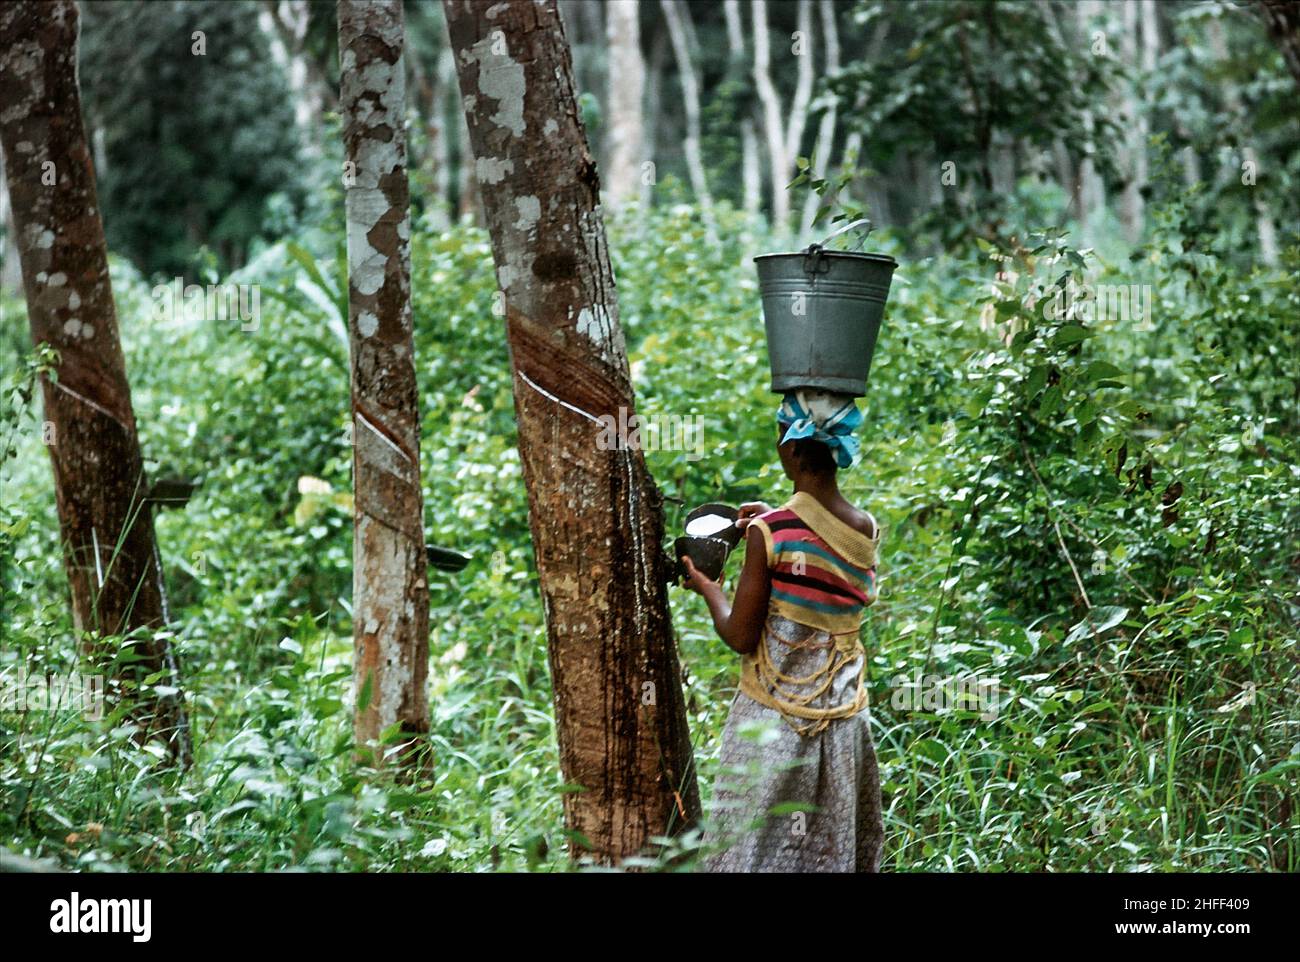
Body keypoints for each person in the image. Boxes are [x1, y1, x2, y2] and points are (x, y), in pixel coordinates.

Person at [681, 388, 884, 872]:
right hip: (844, 731)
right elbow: (817, 546)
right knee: (823, 855)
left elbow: (740, 636)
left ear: (792, 448)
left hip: (772, 727)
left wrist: (709, 587)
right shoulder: (866, 527)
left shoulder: (769, 533)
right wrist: (776, 514)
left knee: (752, 855)